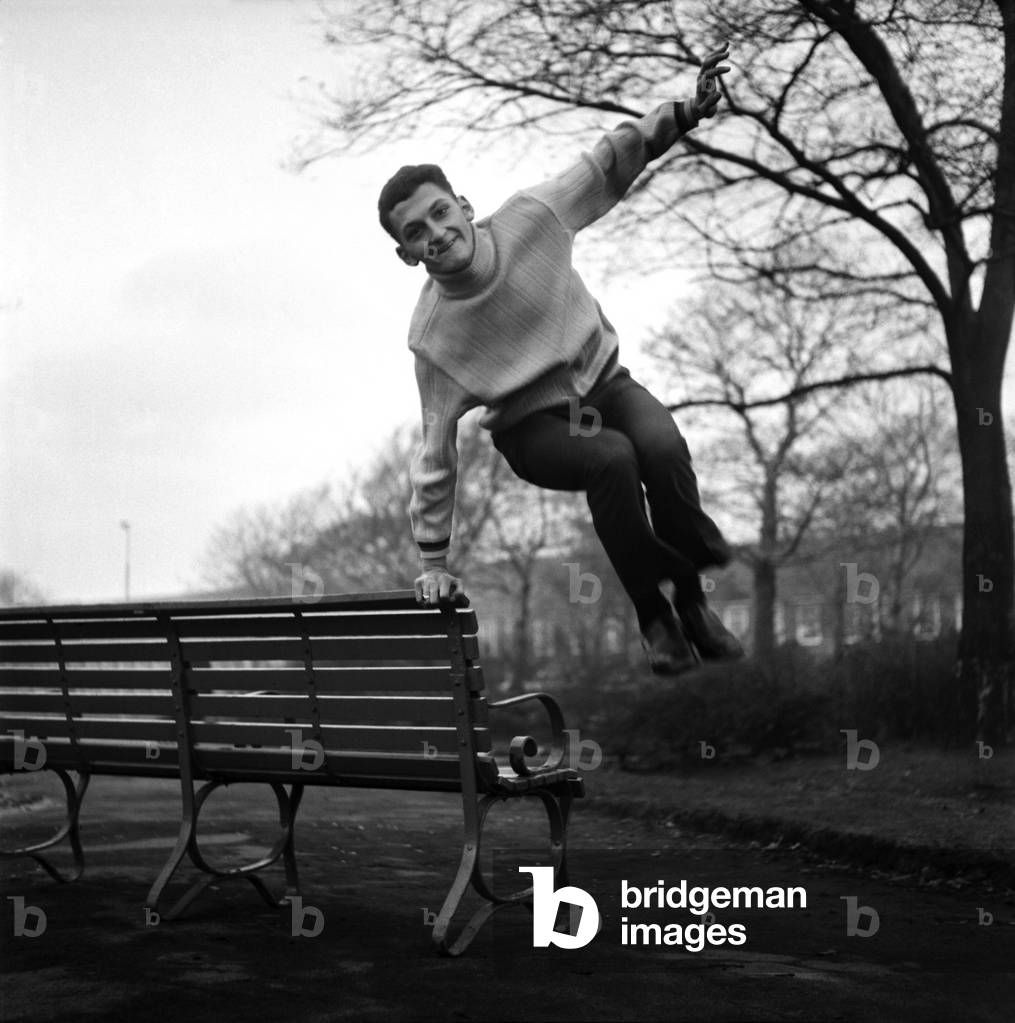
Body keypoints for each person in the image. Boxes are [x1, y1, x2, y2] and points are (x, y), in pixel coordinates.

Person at [378, 45, 742, 675]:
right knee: (612, 458)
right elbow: (436, 452)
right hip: (534, 426)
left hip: (606, 382)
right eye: (416, 233)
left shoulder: (532, 216)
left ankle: (691, 601)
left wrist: (684, 112)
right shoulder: (433, 338)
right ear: (408, 255)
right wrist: (433, 564)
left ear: (464, 206)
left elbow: (605, 163)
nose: (436, 233)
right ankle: (654, 619)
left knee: (659, 446)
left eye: (440, 213)